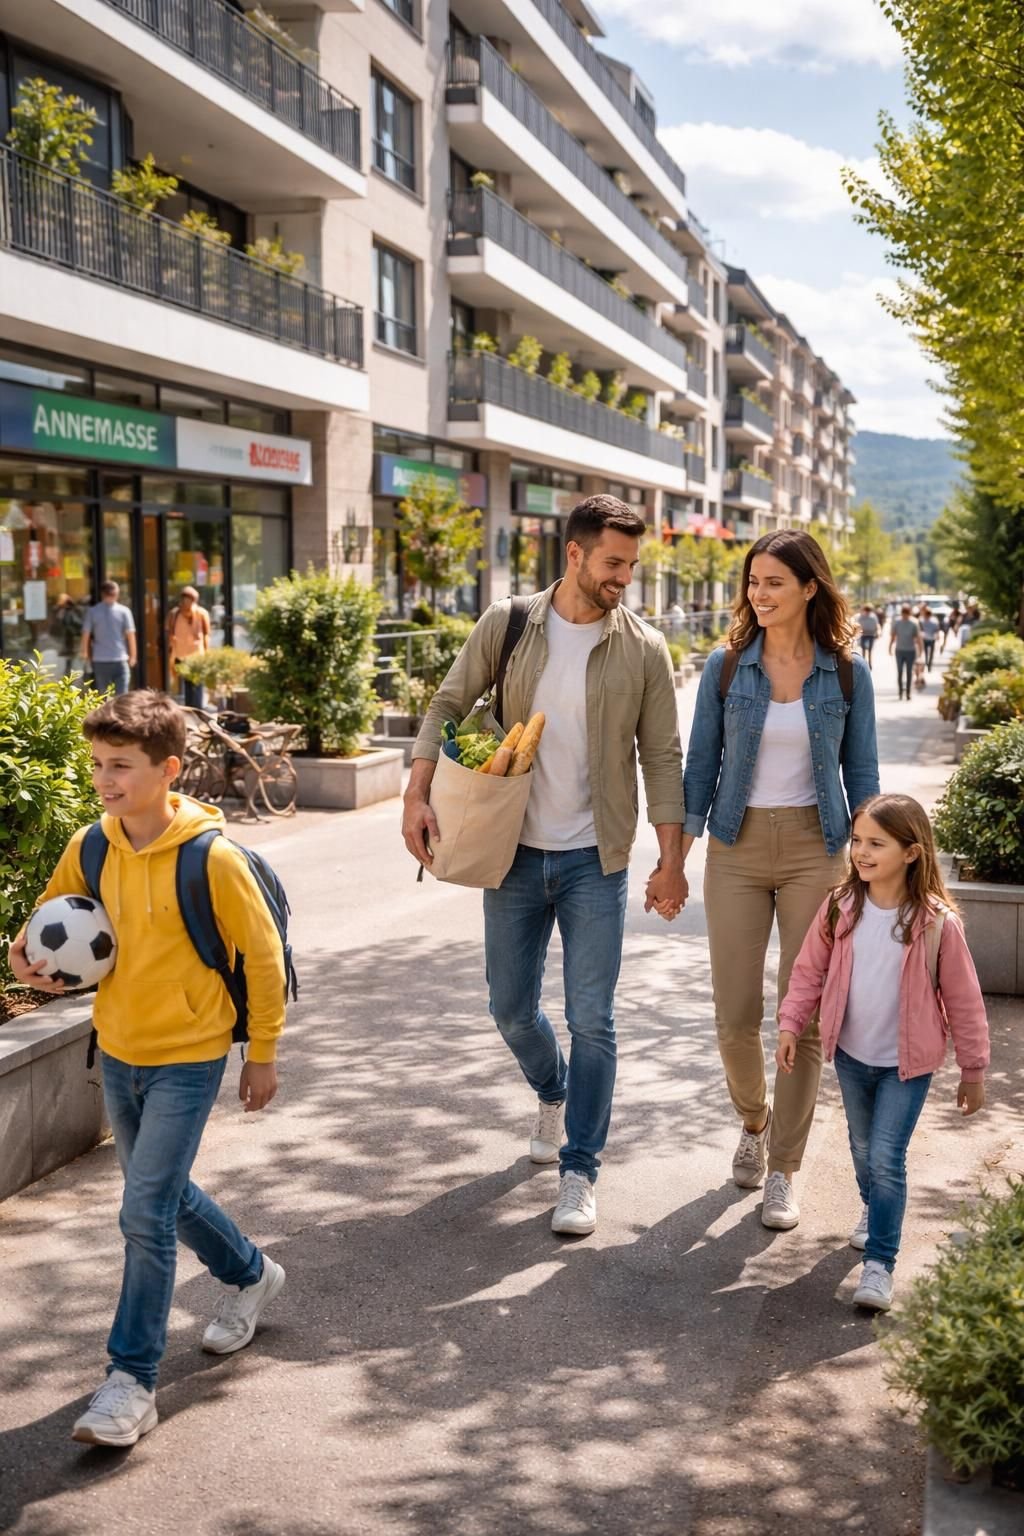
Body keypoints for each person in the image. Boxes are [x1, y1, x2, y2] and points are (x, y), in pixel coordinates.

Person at [7, 691, 287, 1447]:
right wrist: (24, 957)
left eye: (121, 766)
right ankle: (252, 1273)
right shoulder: (91, 845)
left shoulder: (213, 858)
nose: (105, 779)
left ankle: (131, 1380)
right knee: (158, 1195)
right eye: (98, 764)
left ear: (167, 769)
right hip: (119, 1049)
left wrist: (261, 1052)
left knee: (143, 1213)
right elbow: (48, 913)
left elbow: (262, 960)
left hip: (189, 1057)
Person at [402, 496, 686, 1238]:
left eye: (632, 564)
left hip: (598, 858)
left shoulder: (644, 648)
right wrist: (415, 793)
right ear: (575, 554)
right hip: (515, 853)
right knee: (509, 1007)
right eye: (614, 563)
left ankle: (580, 1169)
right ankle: (551, 1089)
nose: (624, 577)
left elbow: (661, 755)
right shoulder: (511, 623)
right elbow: (447, 702)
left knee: (593, 1017)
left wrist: (672, 859)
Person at [683, 530, 879, 1231]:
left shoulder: (847, 675)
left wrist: (873, 874)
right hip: (734, 845)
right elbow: (699, 768)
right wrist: (673, 860)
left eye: (773, 582)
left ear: (808, 587)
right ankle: (755, 1119)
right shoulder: (727, 668)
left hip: (816, 850)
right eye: (752, 582)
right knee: (736, 1015)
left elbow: (864, 782)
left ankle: (783, 1169)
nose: (758, 594)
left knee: (808, 1016)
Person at [776, 794, 989, 1311]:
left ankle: (879, 1264)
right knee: (863, 1149)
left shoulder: (936, 923)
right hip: (851, 1054)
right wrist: (790, 1024)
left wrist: (973, 1070)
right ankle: (876, 1208)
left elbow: (964, 999)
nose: (861, 852)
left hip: (906, 1064)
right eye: (857, 841)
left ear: (912, 852)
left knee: (887, 1158)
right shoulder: (840, 906)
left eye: (876, 843)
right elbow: (808, 972)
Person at [81, 580, 137, 696]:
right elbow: (86, 634)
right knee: (112, 695)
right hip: (104, 659)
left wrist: (133, 656)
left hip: (116, 658)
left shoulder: (123, 612)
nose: (112, 597)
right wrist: (85, 653)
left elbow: (130, 635)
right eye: (111, 594)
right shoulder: (94, 611)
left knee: (111, 695)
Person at [168, 585, 212, 710]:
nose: (186, 603)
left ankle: (197, 711)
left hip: (197, 655)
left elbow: (207, 635)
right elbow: (170, 634)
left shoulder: (201, 613)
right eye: (184, 599)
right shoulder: (175, 614)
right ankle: (189, 711)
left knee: (197, 685)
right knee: (186, 686)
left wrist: (207, 653)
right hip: (180, 655)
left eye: (189, 599)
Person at [889, 603, 922, 701]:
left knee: (909, 672)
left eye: (907, 613)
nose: (905, 615)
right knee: (899, 671)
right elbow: (893, 635)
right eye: (904, 613)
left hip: (910, 651)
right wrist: (890, 646)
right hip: (899, 650)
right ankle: (900, 692)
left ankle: (908, 692)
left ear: (910, 613)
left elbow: (918, 638)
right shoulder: (897, 622)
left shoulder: (914, 623)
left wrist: (920, 651)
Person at [50, 592, 83, 677]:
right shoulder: (58, 609)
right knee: (65, 660)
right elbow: (55, 621)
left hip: (71, 637)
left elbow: (77, 622)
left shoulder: (73, 609)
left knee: (72, 659)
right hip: (61, 639)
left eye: (63, 600)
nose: (61, 602)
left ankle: (69, 674)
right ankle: (67, 673)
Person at [855, 603, 880, 669]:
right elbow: (857, 625)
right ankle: (863, 664)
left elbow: (877, 624)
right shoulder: (860, 617)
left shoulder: (873, 616)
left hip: (871, 634)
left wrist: (878, 632)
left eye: (869, 611)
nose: (867, 612)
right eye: (866, 610)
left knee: (870, 650)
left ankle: (870, 663)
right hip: (864, 635)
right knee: (863, 649)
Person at [919, 606, 941, 673]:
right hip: (924, 639)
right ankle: (926, 663)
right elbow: (919, 629)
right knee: (925, 653)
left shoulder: (934, 620)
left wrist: (937, 636)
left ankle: (929, 665)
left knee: (931, 653)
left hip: (931, 639)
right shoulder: (921, 620)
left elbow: (937, 629)